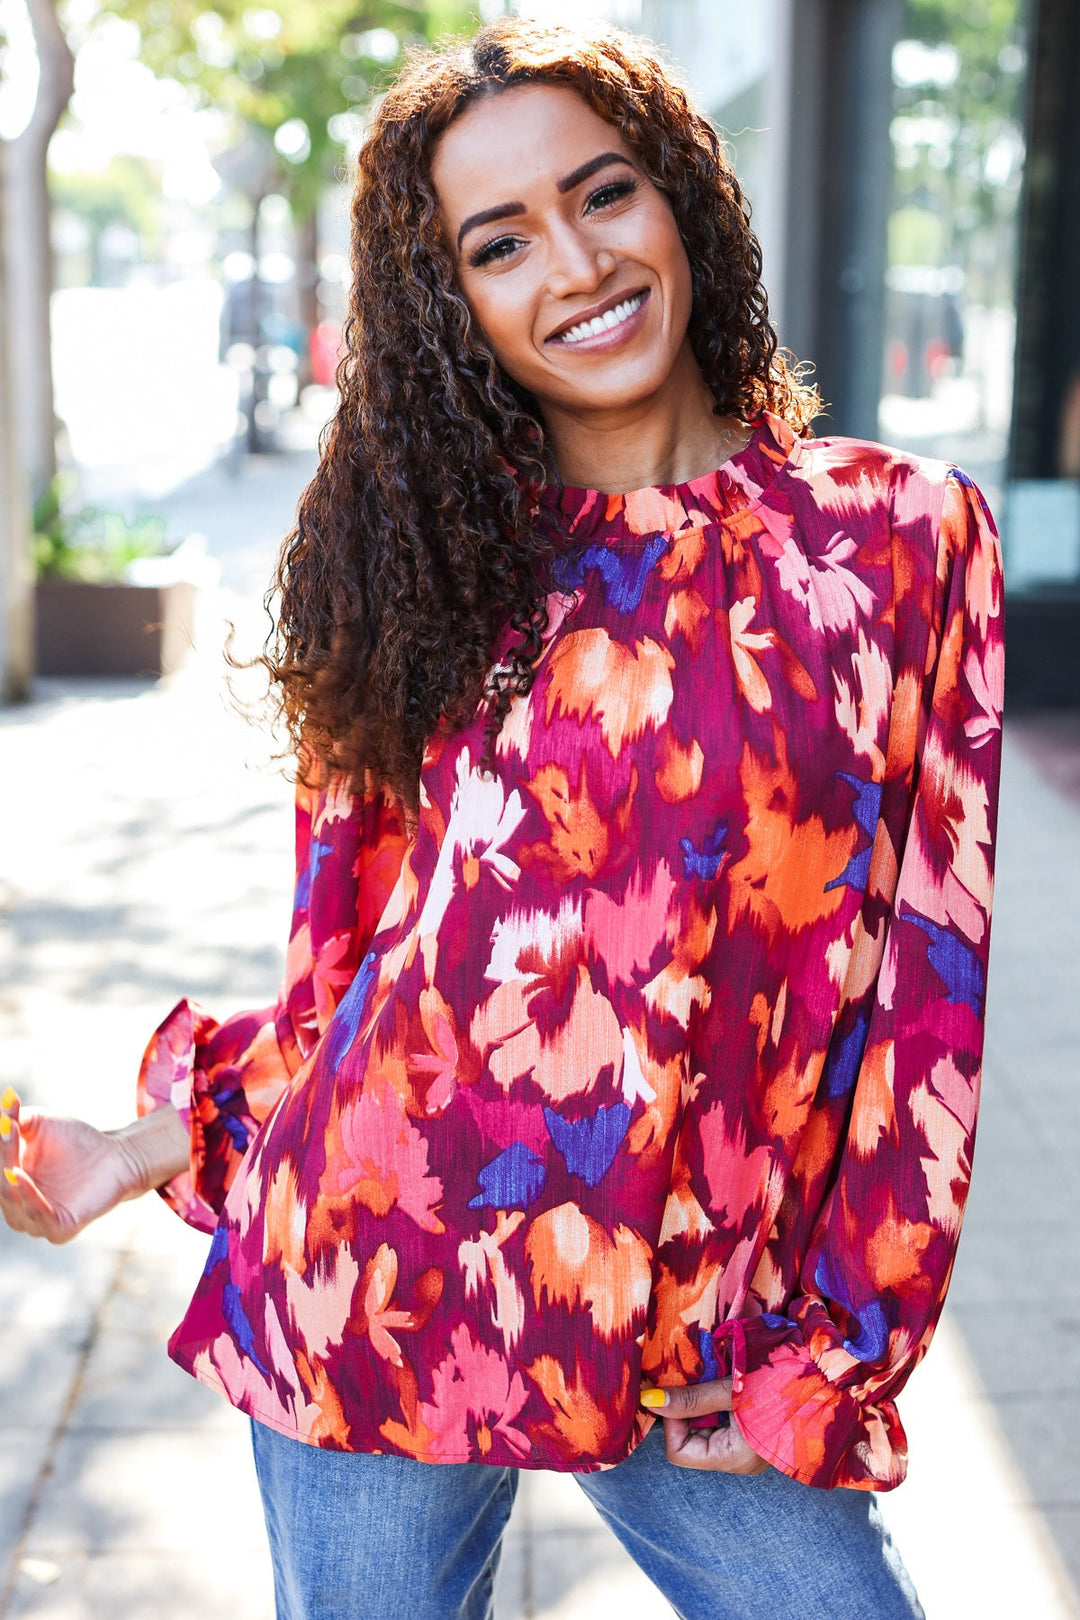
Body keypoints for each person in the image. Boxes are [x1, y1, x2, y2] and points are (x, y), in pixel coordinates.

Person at [0, 18, 1003, 1620]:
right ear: (451, 300)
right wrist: (148, 1144)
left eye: (604, 195)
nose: (577, 264)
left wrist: (838, 1352)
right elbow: (371, 980)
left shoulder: (901, 541)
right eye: (501, 241)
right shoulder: (424, 572)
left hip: (701, 1325)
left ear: (681, 197)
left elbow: (923, 993)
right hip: (386, 1281)